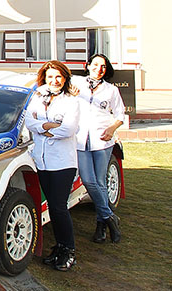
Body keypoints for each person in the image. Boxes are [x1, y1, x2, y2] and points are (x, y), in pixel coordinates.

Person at [24, 60, 80, 271]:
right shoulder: (38, 97)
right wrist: (49, 126)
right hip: (42, 161)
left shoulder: (71, 101)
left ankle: (69, 250)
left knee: (59, 207)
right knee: (53, 209)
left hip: (62, 162)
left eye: (58, 77)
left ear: (65, 78)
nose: (54, 81)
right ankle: (59, 247)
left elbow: (68, 129)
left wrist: (43, 128)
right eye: (50, 77)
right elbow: (30, 122)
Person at [74, 53, 124, 244]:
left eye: (103, 66)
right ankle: (110, 216)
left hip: (102, 140)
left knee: (100, 182)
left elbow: (120, 114)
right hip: (80, 139)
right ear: (88, 65)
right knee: (88, 180)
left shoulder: (111, 90)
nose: (99, 69)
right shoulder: (76, 82)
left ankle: (101, 225)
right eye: (95, 65)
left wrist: (112, 129)